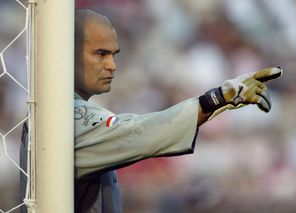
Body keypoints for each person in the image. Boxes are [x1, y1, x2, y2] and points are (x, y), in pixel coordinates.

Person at [21, 9, 282, 213]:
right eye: (100, 54)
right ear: (67, 53)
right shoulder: (63, 117)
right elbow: (137, 132)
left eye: (114, 55)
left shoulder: (56, 110)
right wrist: (215, 100)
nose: (112, 65)